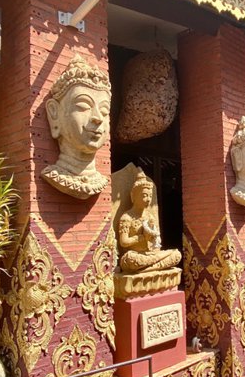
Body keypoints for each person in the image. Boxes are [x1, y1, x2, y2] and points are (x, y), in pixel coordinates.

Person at [41, 54, 111, 199]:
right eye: (83, 106)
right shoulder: (54, 176)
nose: (98, 118)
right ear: (54, 114)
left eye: (104, 111)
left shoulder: (102, 182)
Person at [118, 170, 181, 273]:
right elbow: (124, 242)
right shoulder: (126, 217)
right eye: (144, 196)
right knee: (130, 259)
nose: (148, 199)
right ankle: (154, 266)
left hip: (150, 254)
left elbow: (156, 240)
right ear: (133, 196)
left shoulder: (150, 216)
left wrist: (153, 238)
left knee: (176, 254)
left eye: (150, 196)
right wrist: (142, 237)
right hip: (135, 255)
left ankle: (147, 268)